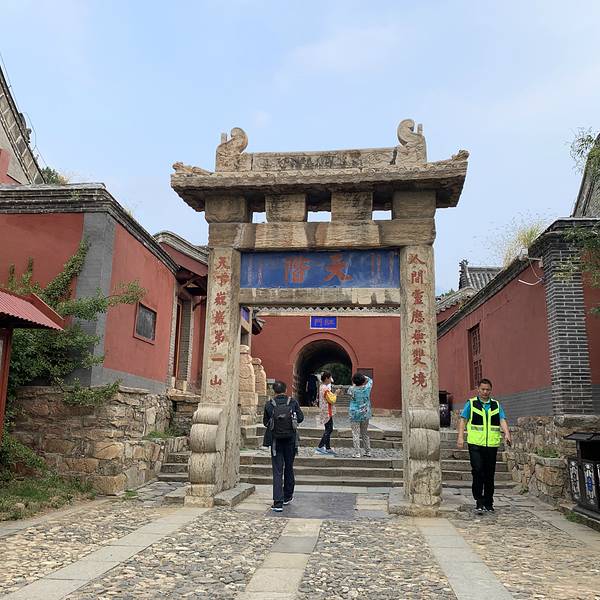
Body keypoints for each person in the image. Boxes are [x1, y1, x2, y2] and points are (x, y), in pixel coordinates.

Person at [457, 378, 511, 513]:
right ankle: (479, 500)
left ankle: (489, 502)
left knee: (489, 474)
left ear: (491, 390)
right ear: (478, 390)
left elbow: (502, 419)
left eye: (488, 390)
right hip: (475, 444)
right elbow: (463, 420)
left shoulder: (496, 405)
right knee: (478, 471)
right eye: (483, 389)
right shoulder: (471, 403)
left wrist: (507, 433)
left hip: (491, 445)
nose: (485, 392)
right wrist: (460, 437)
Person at [263, 380, 304, 512]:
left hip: (276, 442)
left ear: (274, 391)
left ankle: (278, 502)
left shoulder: (269, 404)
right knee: (289, 467)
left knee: (277, 470)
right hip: (291, 440)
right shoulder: (292, 402)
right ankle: (287, 496)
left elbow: (265, 423)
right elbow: (301, 418)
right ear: (286, 390)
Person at [348, 373, 373, 458]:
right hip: (365, 413)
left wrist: (356, 383)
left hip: (354, 414)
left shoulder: (351, 389)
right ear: (363, 380)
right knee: (364, 433)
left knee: (355, 433)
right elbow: (370, 380)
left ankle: (357, 453)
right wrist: (364, 377)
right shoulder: (367, 388)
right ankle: (368, 451)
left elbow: (350, 394)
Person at [315, 371, 336, 456]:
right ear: (327, 378)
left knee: (328, 428)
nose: (331, 379)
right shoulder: (325, 388)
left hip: (324, 410)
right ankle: (320, 446)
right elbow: (332, 400)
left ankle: (328, 447)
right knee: (329, 429)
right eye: (330, 378)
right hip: (327, 411)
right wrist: (336, 394)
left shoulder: (322, 387)